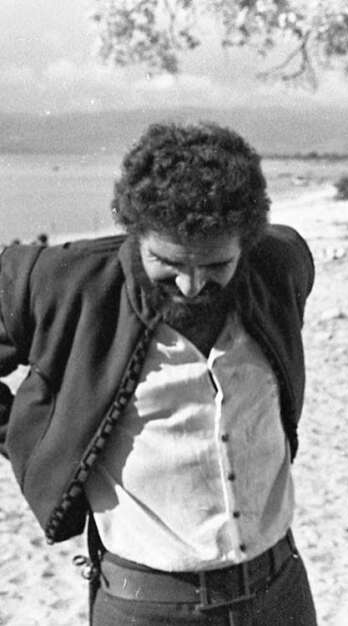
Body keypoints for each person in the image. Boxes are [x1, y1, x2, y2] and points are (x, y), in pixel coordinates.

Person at [0, 122, 317, 625]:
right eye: (167, 262)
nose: (191, 286)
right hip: (144, 606)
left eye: (215, 264)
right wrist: (25, 432)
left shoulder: (282, 264)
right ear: (134, 232)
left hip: (281, 591)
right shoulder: (63, 283)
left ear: (248, 243)